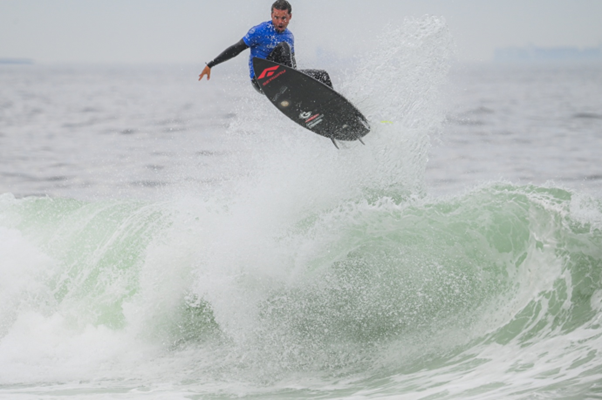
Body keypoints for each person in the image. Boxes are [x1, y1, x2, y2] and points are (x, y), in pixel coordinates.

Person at [198, 0, 331, 93]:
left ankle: (332, 107)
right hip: (262, 80)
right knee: (284, 47)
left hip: (283, 78)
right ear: (271, 15)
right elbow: (236, 48)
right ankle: (292, 85)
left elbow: (292, 63)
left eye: (283, 18)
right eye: (276, 17)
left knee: (323, 76)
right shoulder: (259, 31)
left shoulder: (289, 36)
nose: (279, 22)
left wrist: (303, 81)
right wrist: (210, 65)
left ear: (290, 17)